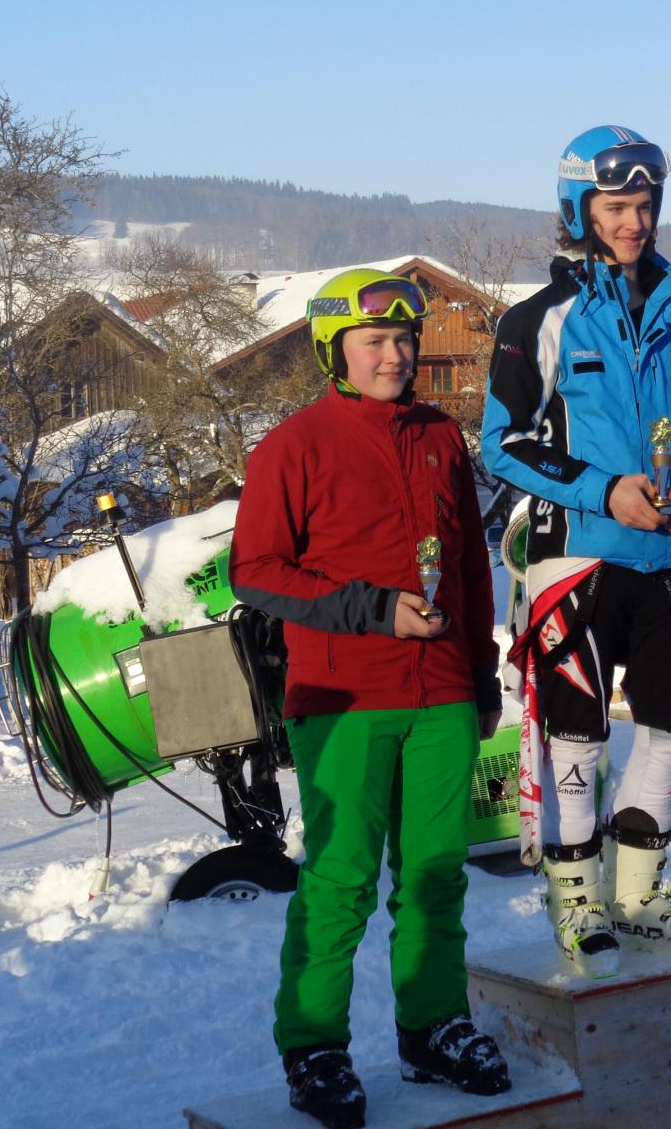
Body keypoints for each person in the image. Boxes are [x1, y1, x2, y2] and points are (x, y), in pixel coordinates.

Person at [232, 267, 510, 1128]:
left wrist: (481, 674)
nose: (395, 356)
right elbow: (256, 571)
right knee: (341, 879)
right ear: (335, 351)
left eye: (403, 340)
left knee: (434, 875)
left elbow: (469, 568)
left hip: (442, 694)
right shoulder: (294, 445)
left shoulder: (440, 436)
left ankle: (433, 1026)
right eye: (374, 342)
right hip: (343, 695)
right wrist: (374, 609)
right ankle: (314, 1047)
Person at [481, 125, 671, 980]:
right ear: (578, 207)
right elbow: (502, 444)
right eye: (617, 206)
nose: (634, 221)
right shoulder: (536, 320)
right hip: (577, 558)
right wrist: (601, 489)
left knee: (668, 732)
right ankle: (578, 902)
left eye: (645, 204)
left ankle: (639, 894)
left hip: (665, 562)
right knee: (579, 740)